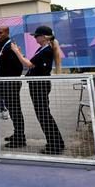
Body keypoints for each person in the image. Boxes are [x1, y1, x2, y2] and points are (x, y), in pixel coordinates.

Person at [26, 26, 65, 155]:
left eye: (37, 36)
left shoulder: (47, 50)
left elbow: (30, 64)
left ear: (43, 37)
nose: (35, 38)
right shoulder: (41, 49)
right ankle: (57, 142)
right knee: (43, 115)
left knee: (43, 115)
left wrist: (17, 52)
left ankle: (54, 144)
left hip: (40, 85)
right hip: (36, 84)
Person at [0, 25, 33, 148]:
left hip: (10, 84)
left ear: (7, 33)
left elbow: (18, 67)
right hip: (4, 83)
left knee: (15, 111)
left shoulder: (10, 47)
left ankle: (20, 138)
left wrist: (7, 78)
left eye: (0, 32)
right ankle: (17, 134)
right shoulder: (1, 45)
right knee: (12, 110)